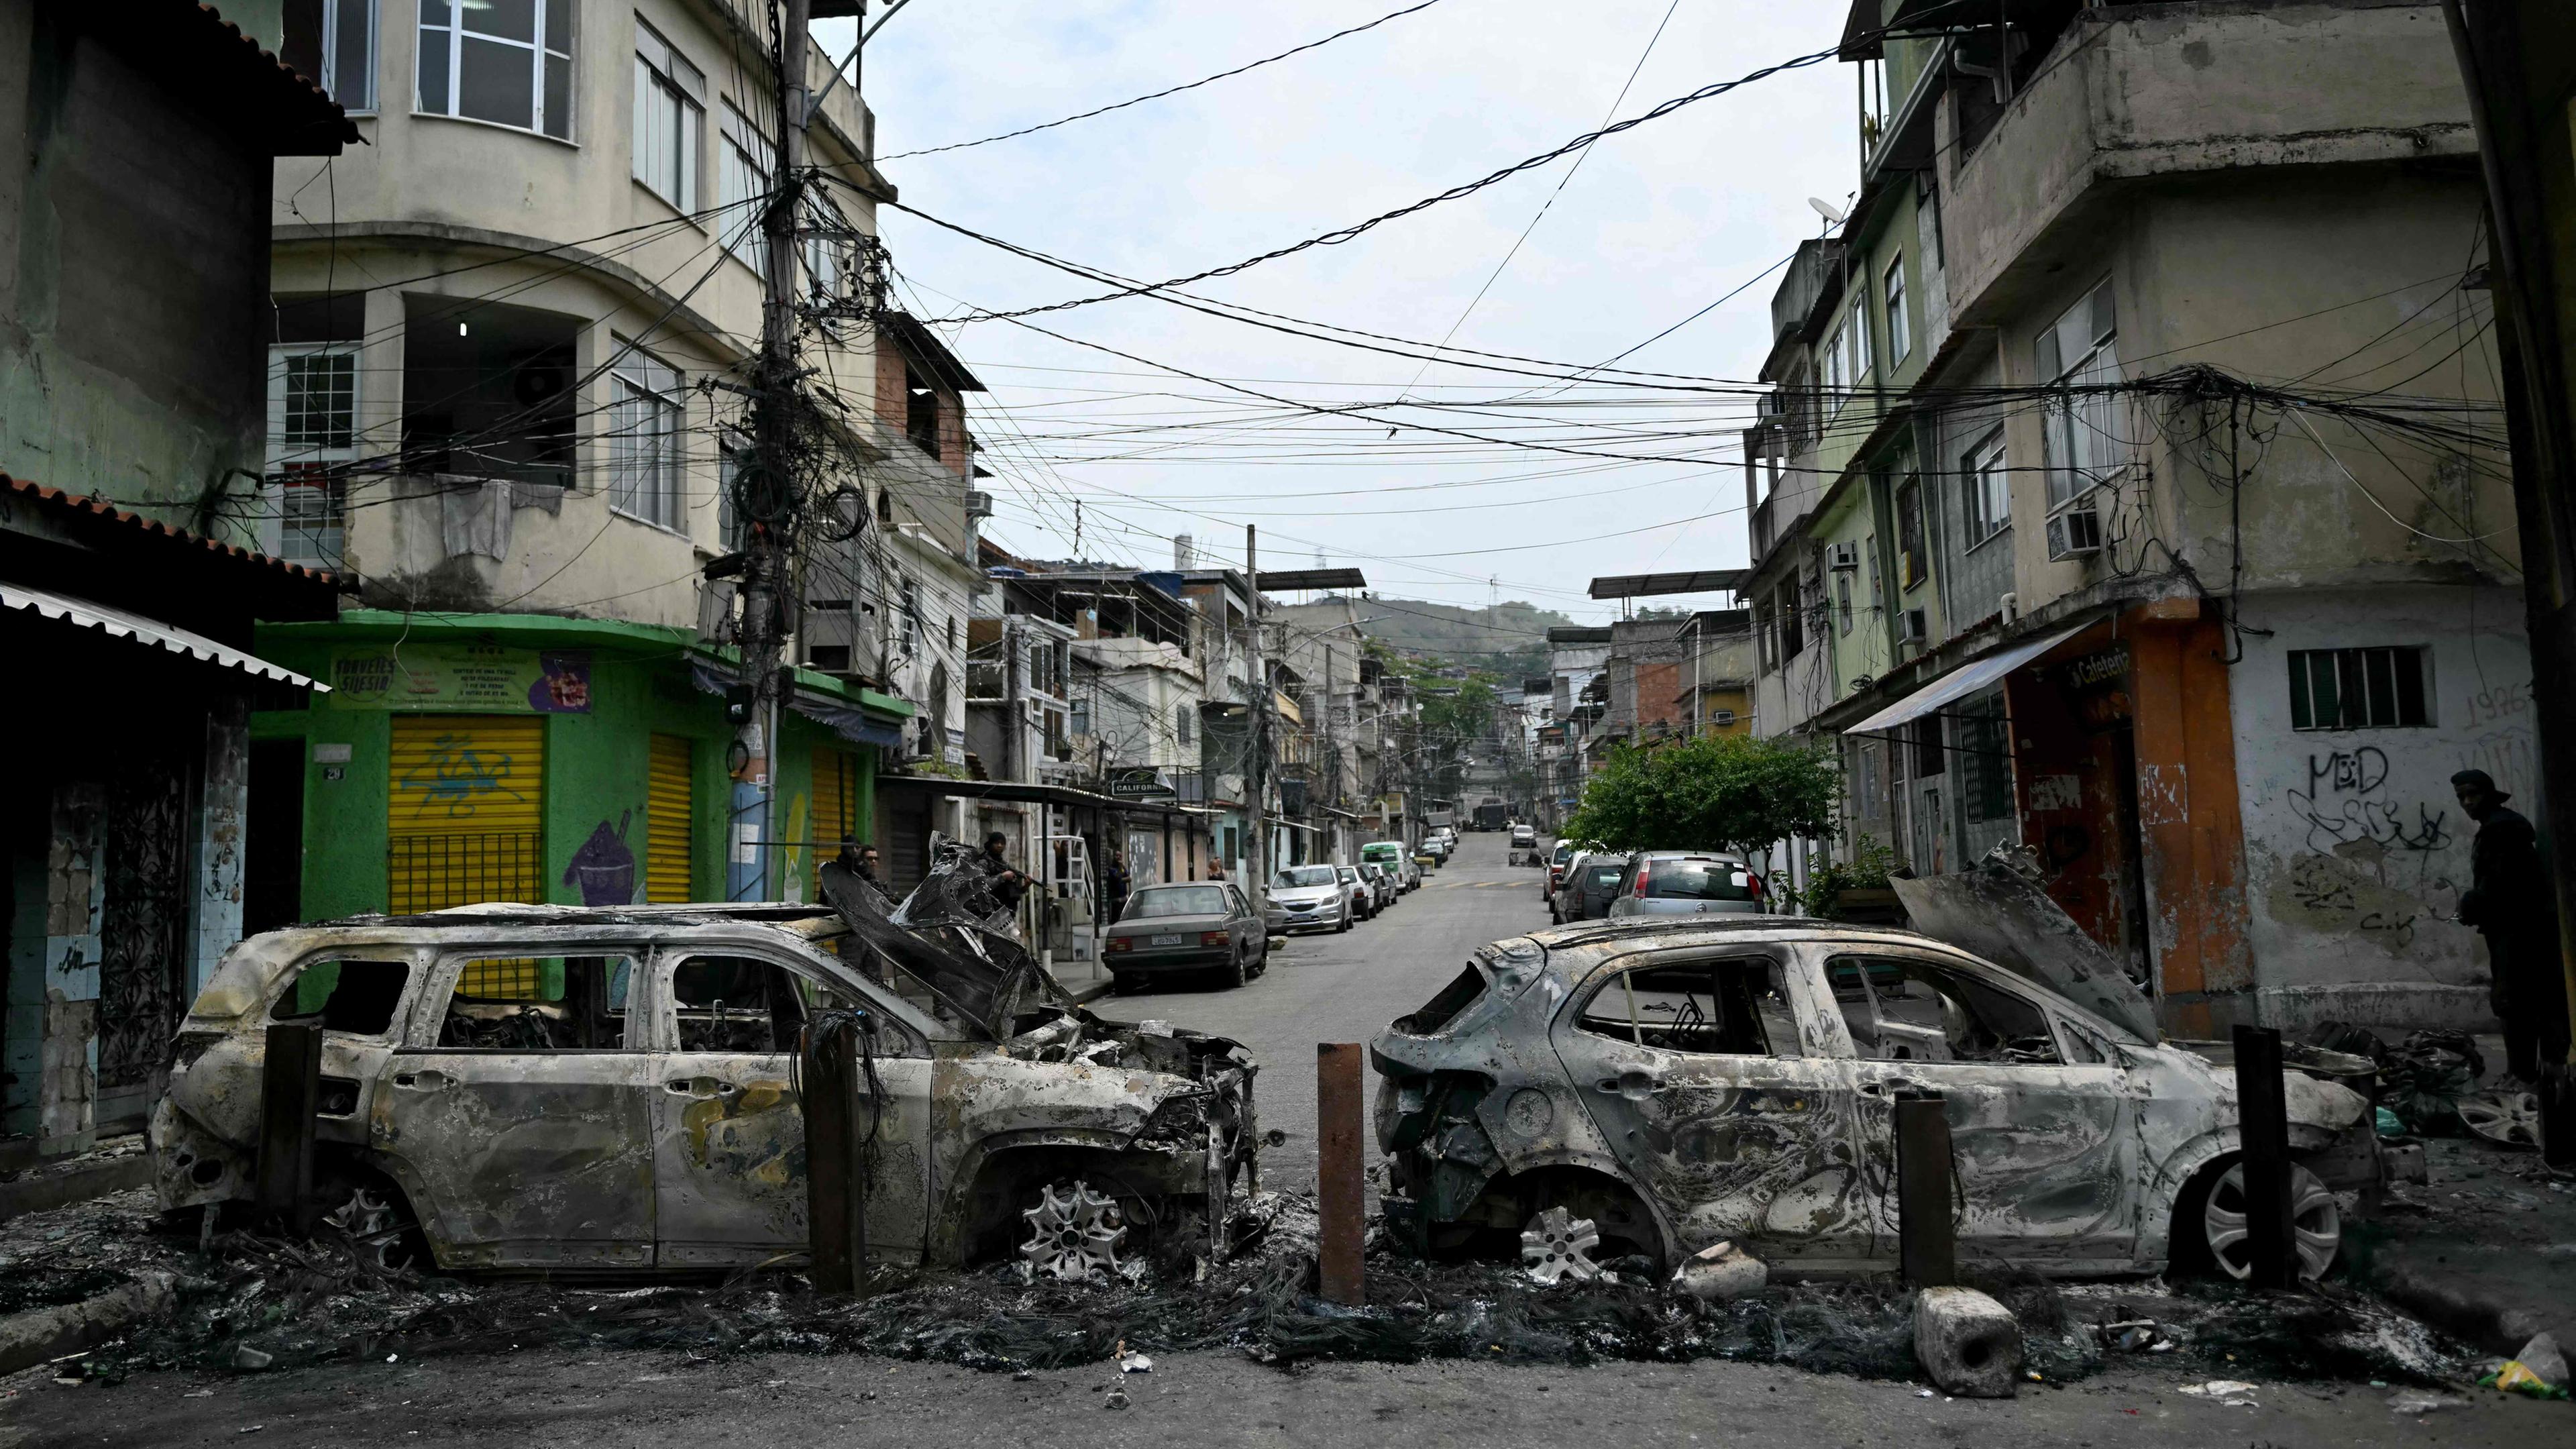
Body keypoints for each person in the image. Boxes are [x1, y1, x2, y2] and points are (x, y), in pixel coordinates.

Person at [2452, 769, 2570, 1084]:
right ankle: (2527, 1072)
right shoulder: (2500, 827)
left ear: (2488, 794)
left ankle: (2522, 1075)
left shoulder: (2502, 831)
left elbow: (2504, 886)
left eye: (2472, 794)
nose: (2466, 802)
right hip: (2514, 929)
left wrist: (2470, 903)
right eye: (2461, 797)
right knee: (2520, 1002)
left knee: (2513, 1003)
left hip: (2519, 931)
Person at [983, 830, 1031, 910]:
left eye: (1002, 843)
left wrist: (1026, 886)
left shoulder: (1004, 865)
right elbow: (984, 886)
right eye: (996, 843)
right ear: (990, 844)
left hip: (1007, 910)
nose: (999, 846)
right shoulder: (984, 862)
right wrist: (1002, 877)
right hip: (992, 910)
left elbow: (1014, 893)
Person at [1101, 847, 1130, 925]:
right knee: (1115, 918)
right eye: (1117, 856)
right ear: (1114, 857)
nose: (1119, 857)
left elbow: (1129, 878)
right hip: (1116, 899)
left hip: (1124, 898)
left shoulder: (1123, 868)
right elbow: (1117, 878)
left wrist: (1122, 879)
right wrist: (1122, 877)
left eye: (1120, 856)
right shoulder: (1112, 869)